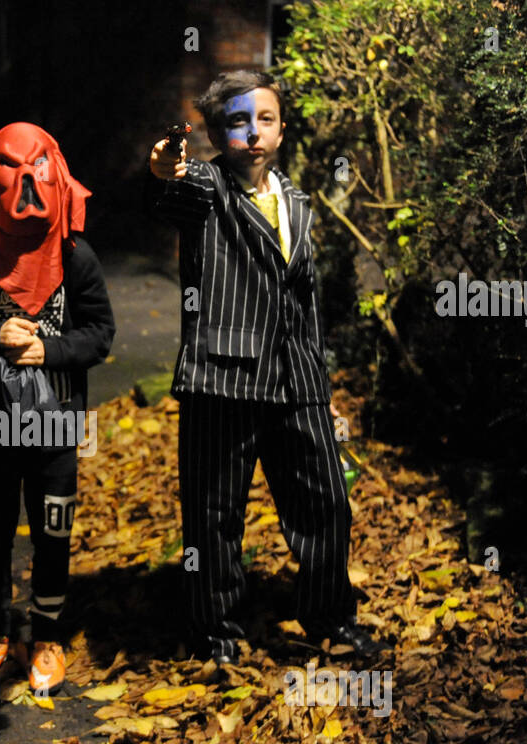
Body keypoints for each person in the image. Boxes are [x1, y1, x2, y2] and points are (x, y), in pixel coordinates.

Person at [144, 71, 385, 664]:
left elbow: (304, 300)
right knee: (214, 514)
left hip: (295, 380)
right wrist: (166, 166)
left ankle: (329, 618)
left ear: (280, 128)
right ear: (218, 131)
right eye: (237, 122)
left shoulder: (298, 201)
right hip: (220, 379)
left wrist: (321, 388)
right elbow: (175, 189)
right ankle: (215, 633)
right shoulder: (206, 187)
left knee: (327, 503)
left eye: (266, 120)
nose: (254, 133)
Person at [0, 122, 115, 694]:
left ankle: (49, 636)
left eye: (38, 166)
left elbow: (101, 334)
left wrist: (49, 350)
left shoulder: (75, 255)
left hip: (57, 428)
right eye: (11, 166)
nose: (27, 179)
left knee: (53, 531)